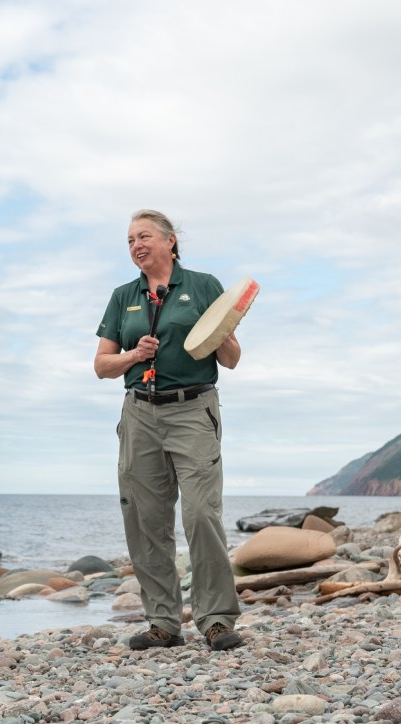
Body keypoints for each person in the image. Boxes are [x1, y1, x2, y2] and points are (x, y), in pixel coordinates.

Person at [93, 209, 244, 653]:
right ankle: (163, 623)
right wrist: (133, 355)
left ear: (170, 241)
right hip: (139, 413)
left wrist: (224, 332)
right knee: (145, 519)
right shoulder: (124, 296)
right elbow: (102, 365)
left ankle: (216, 619)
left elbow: (231, 360)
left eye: (143, 237)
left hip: (193, 409)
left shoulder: (203, 285)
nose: (136, 246)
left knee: (201, 513)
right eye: (129, 241)